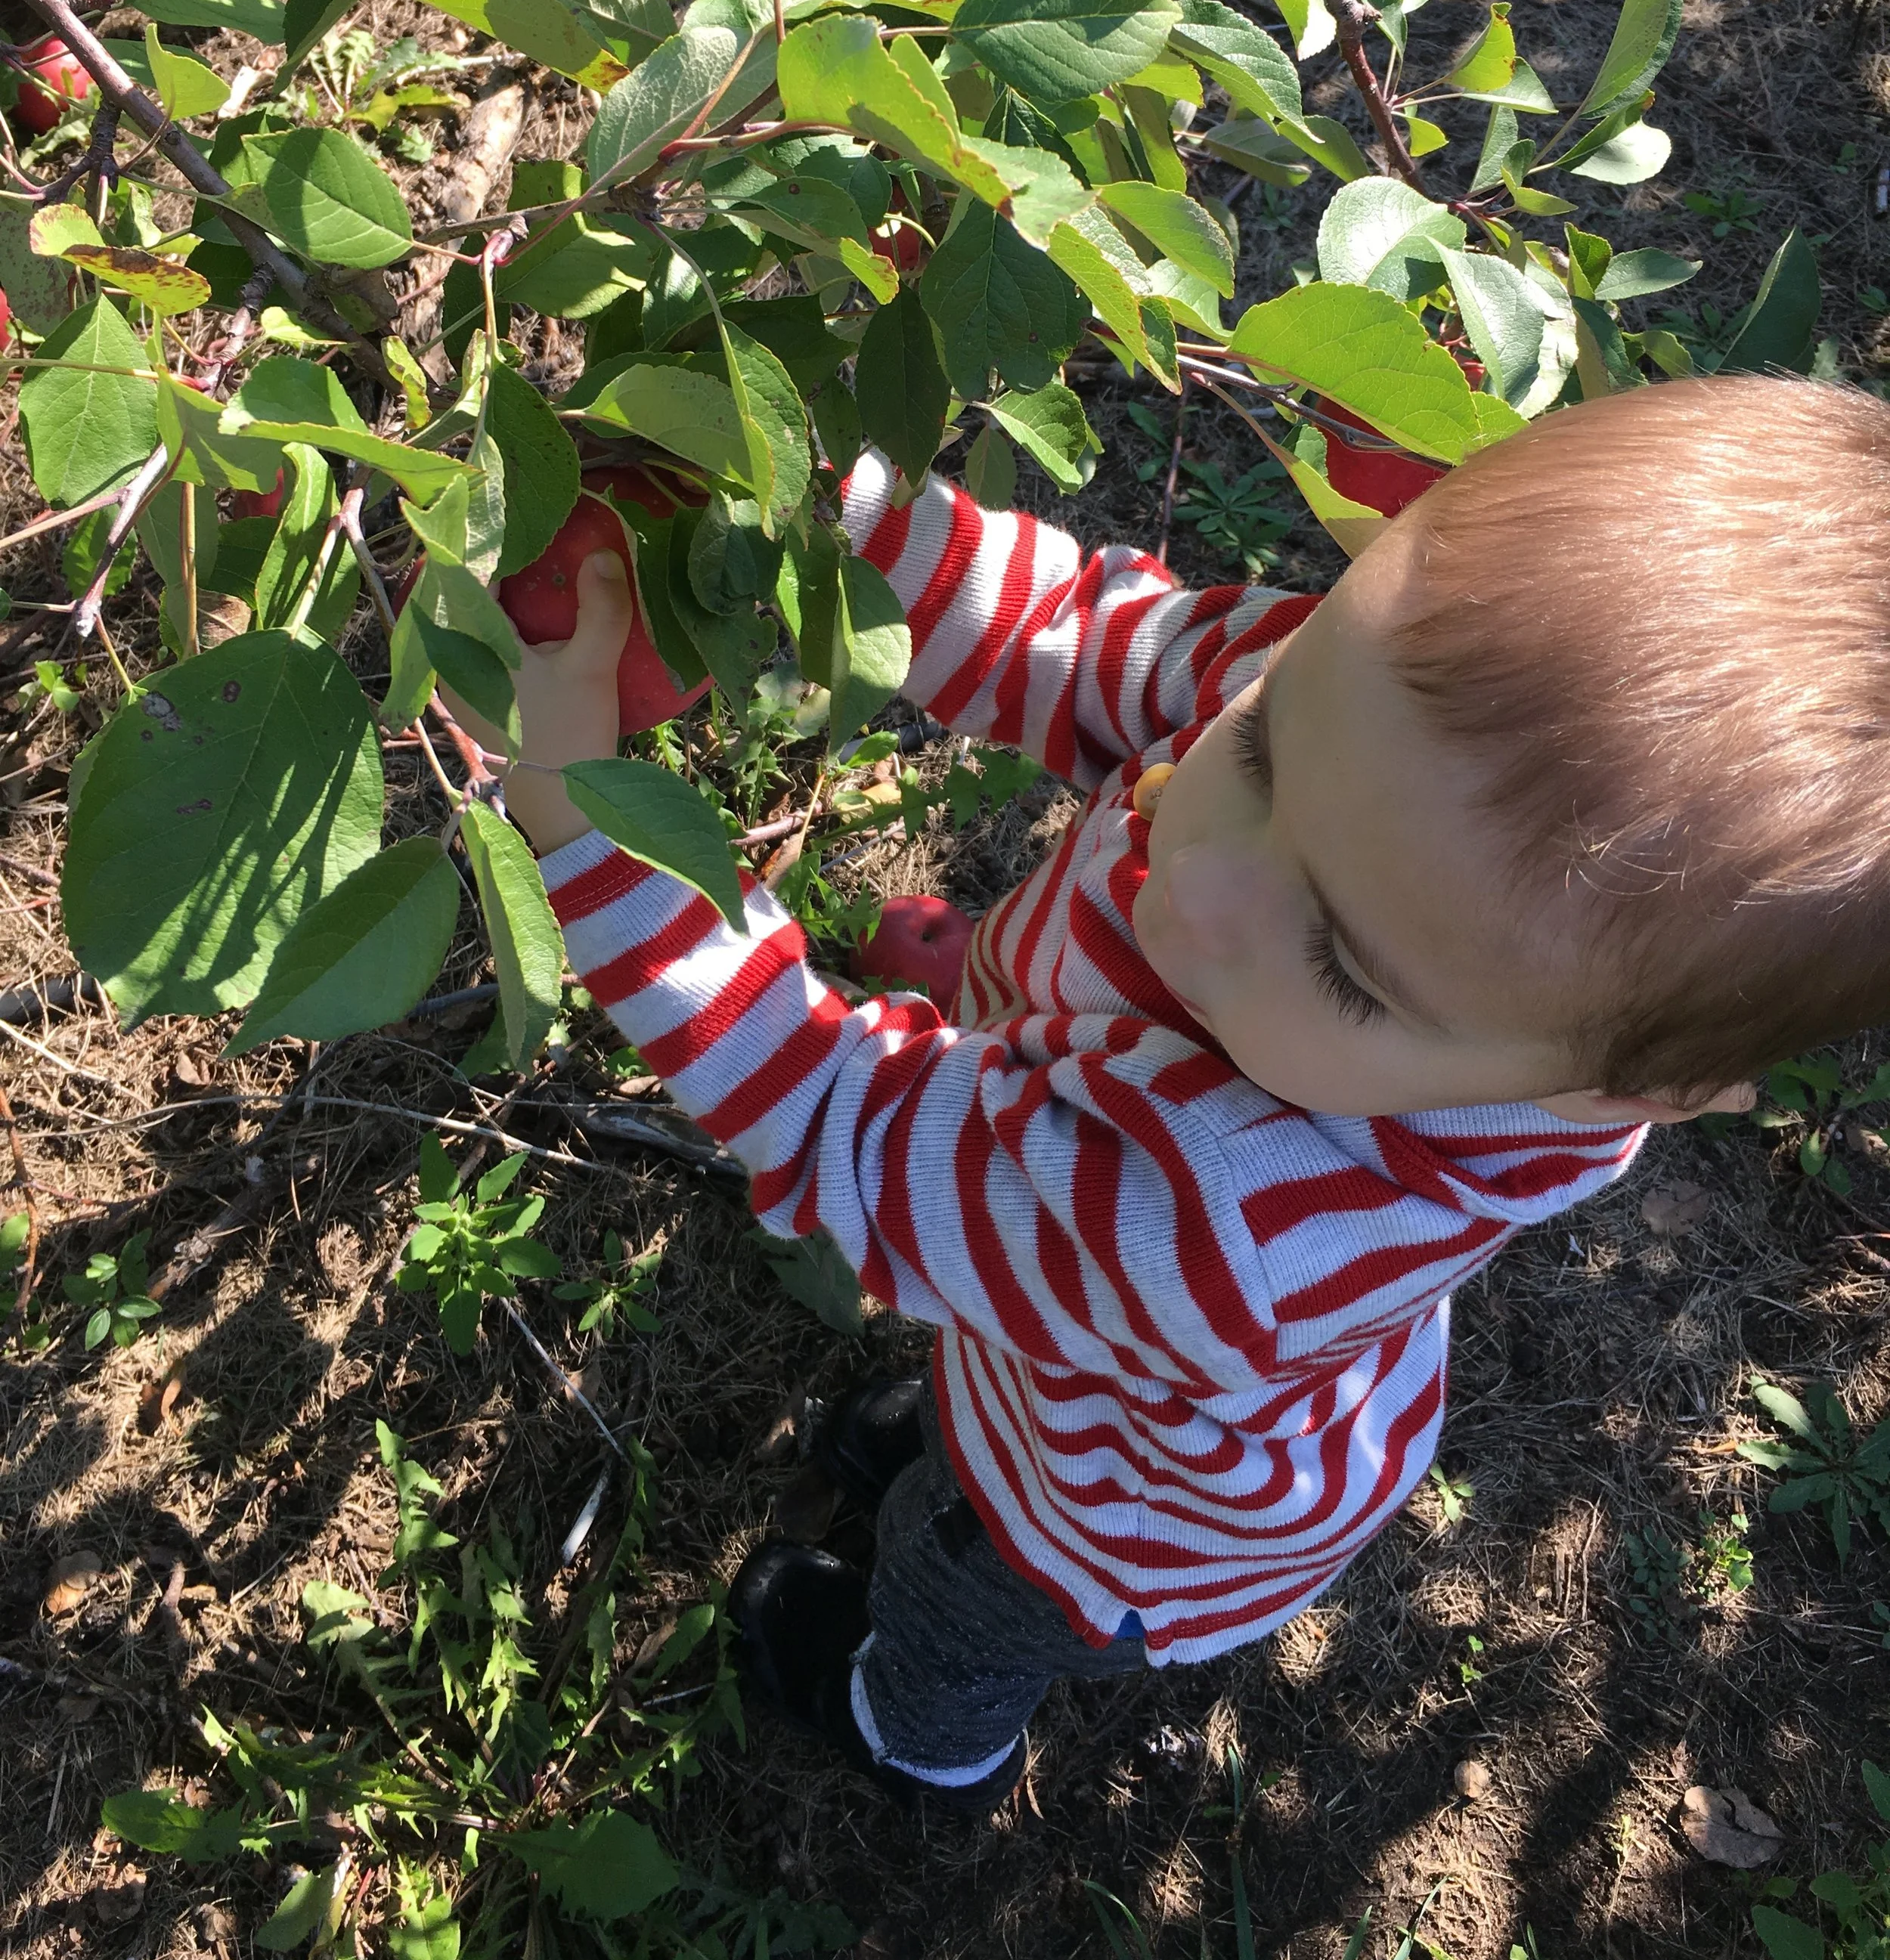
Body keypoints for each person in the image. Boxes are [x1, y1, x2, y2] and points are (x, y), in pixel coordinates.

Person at [479, 370, 1890, 1815]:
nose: (1193, 874)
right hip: (1119, 1367)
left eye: (1343, 964)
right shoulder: (1370, 742)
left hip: (1109, 1537)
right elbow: (1084, 643)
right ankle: (984, 1408)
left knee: (948, 1587)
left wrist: (592, 824)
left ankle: (916, 1741)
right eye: (1263, 750)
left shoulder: (1214, 1222)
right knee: (989, 1387)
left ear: (1617, 1096)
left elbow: (840, 1115)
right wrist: (811, 506)